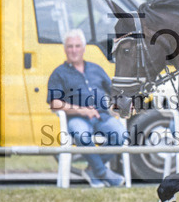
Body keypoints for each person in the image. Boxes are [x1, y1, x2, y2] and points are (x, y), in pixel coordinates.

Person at [47, 29, 127, 187]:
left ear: (83, 48)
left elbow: (114, 92)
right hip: (77, 118)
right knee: (82, 135)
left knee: (120, 134)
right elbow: (54, 103)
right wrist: (81, 110)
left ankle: (93, 170)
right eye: (70, 47)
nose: (74, 50)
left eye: (77, 46)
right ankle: (103, 173)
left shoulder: (96, 69)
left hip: (102, 117)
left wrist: (119, 105)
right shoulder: (59, 73)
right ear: (65, 49)